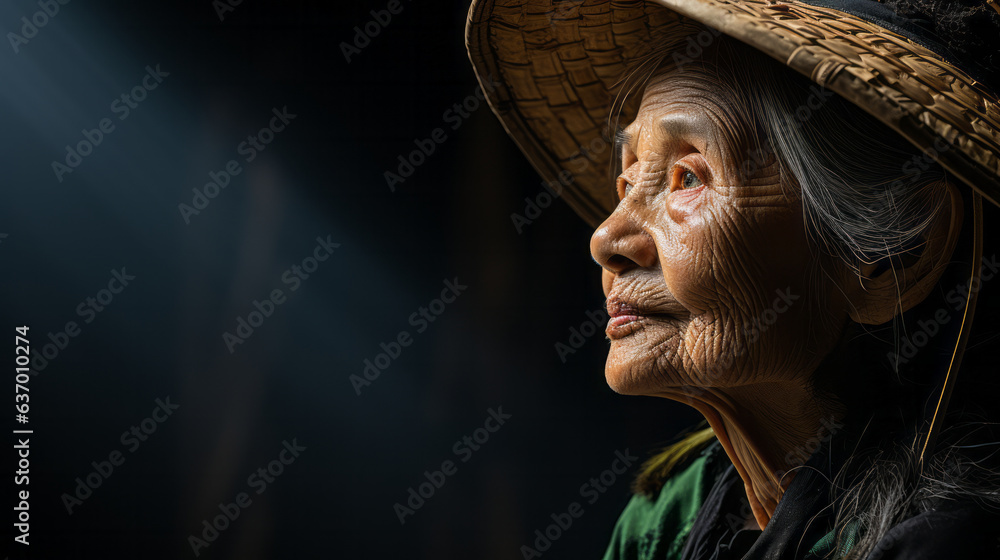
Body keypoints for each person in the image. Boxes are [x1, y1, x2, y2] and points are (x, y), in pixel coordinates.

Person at [467, 0, 1000, 558]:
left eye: (688, 177)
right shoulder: (668, 515)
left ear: (894, 257)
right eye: (626, 186)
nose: (605, 239)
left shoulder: (952, 541)